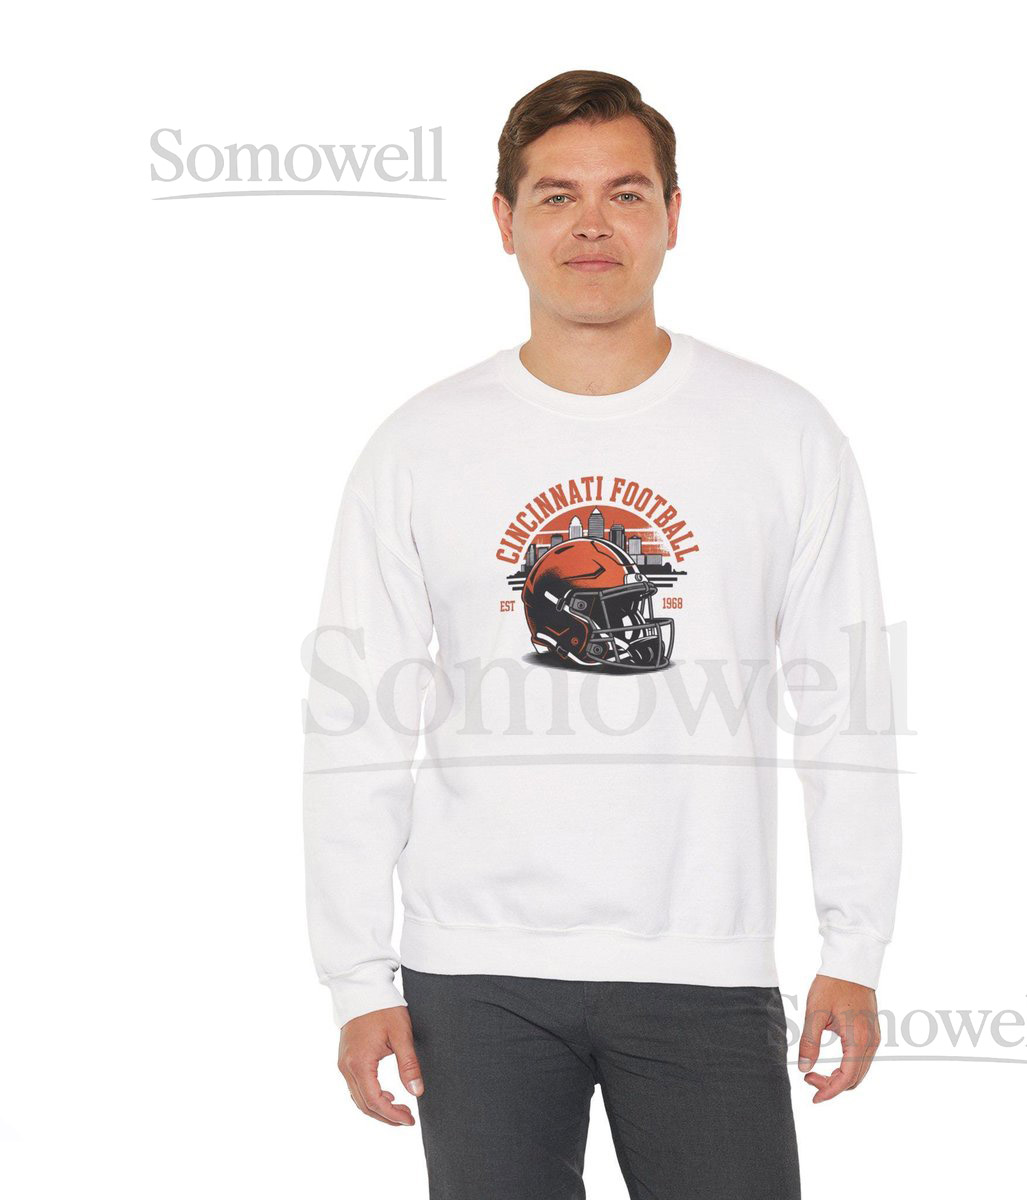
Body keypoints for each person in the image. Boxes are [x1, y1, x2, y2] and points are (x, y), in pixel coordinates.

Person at [302, 68, 902, 1200]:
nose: (591, 224)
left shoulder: (782, 433)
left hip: (704, 959)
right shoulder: (420, 446)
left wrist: (854, 945)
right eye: (556, 195)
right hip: (472, 971)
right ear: (504, 221)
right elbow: (357, 723)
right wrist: (357, 977)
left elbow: (847, 701)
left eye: (625, 194)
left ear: (673, 216)